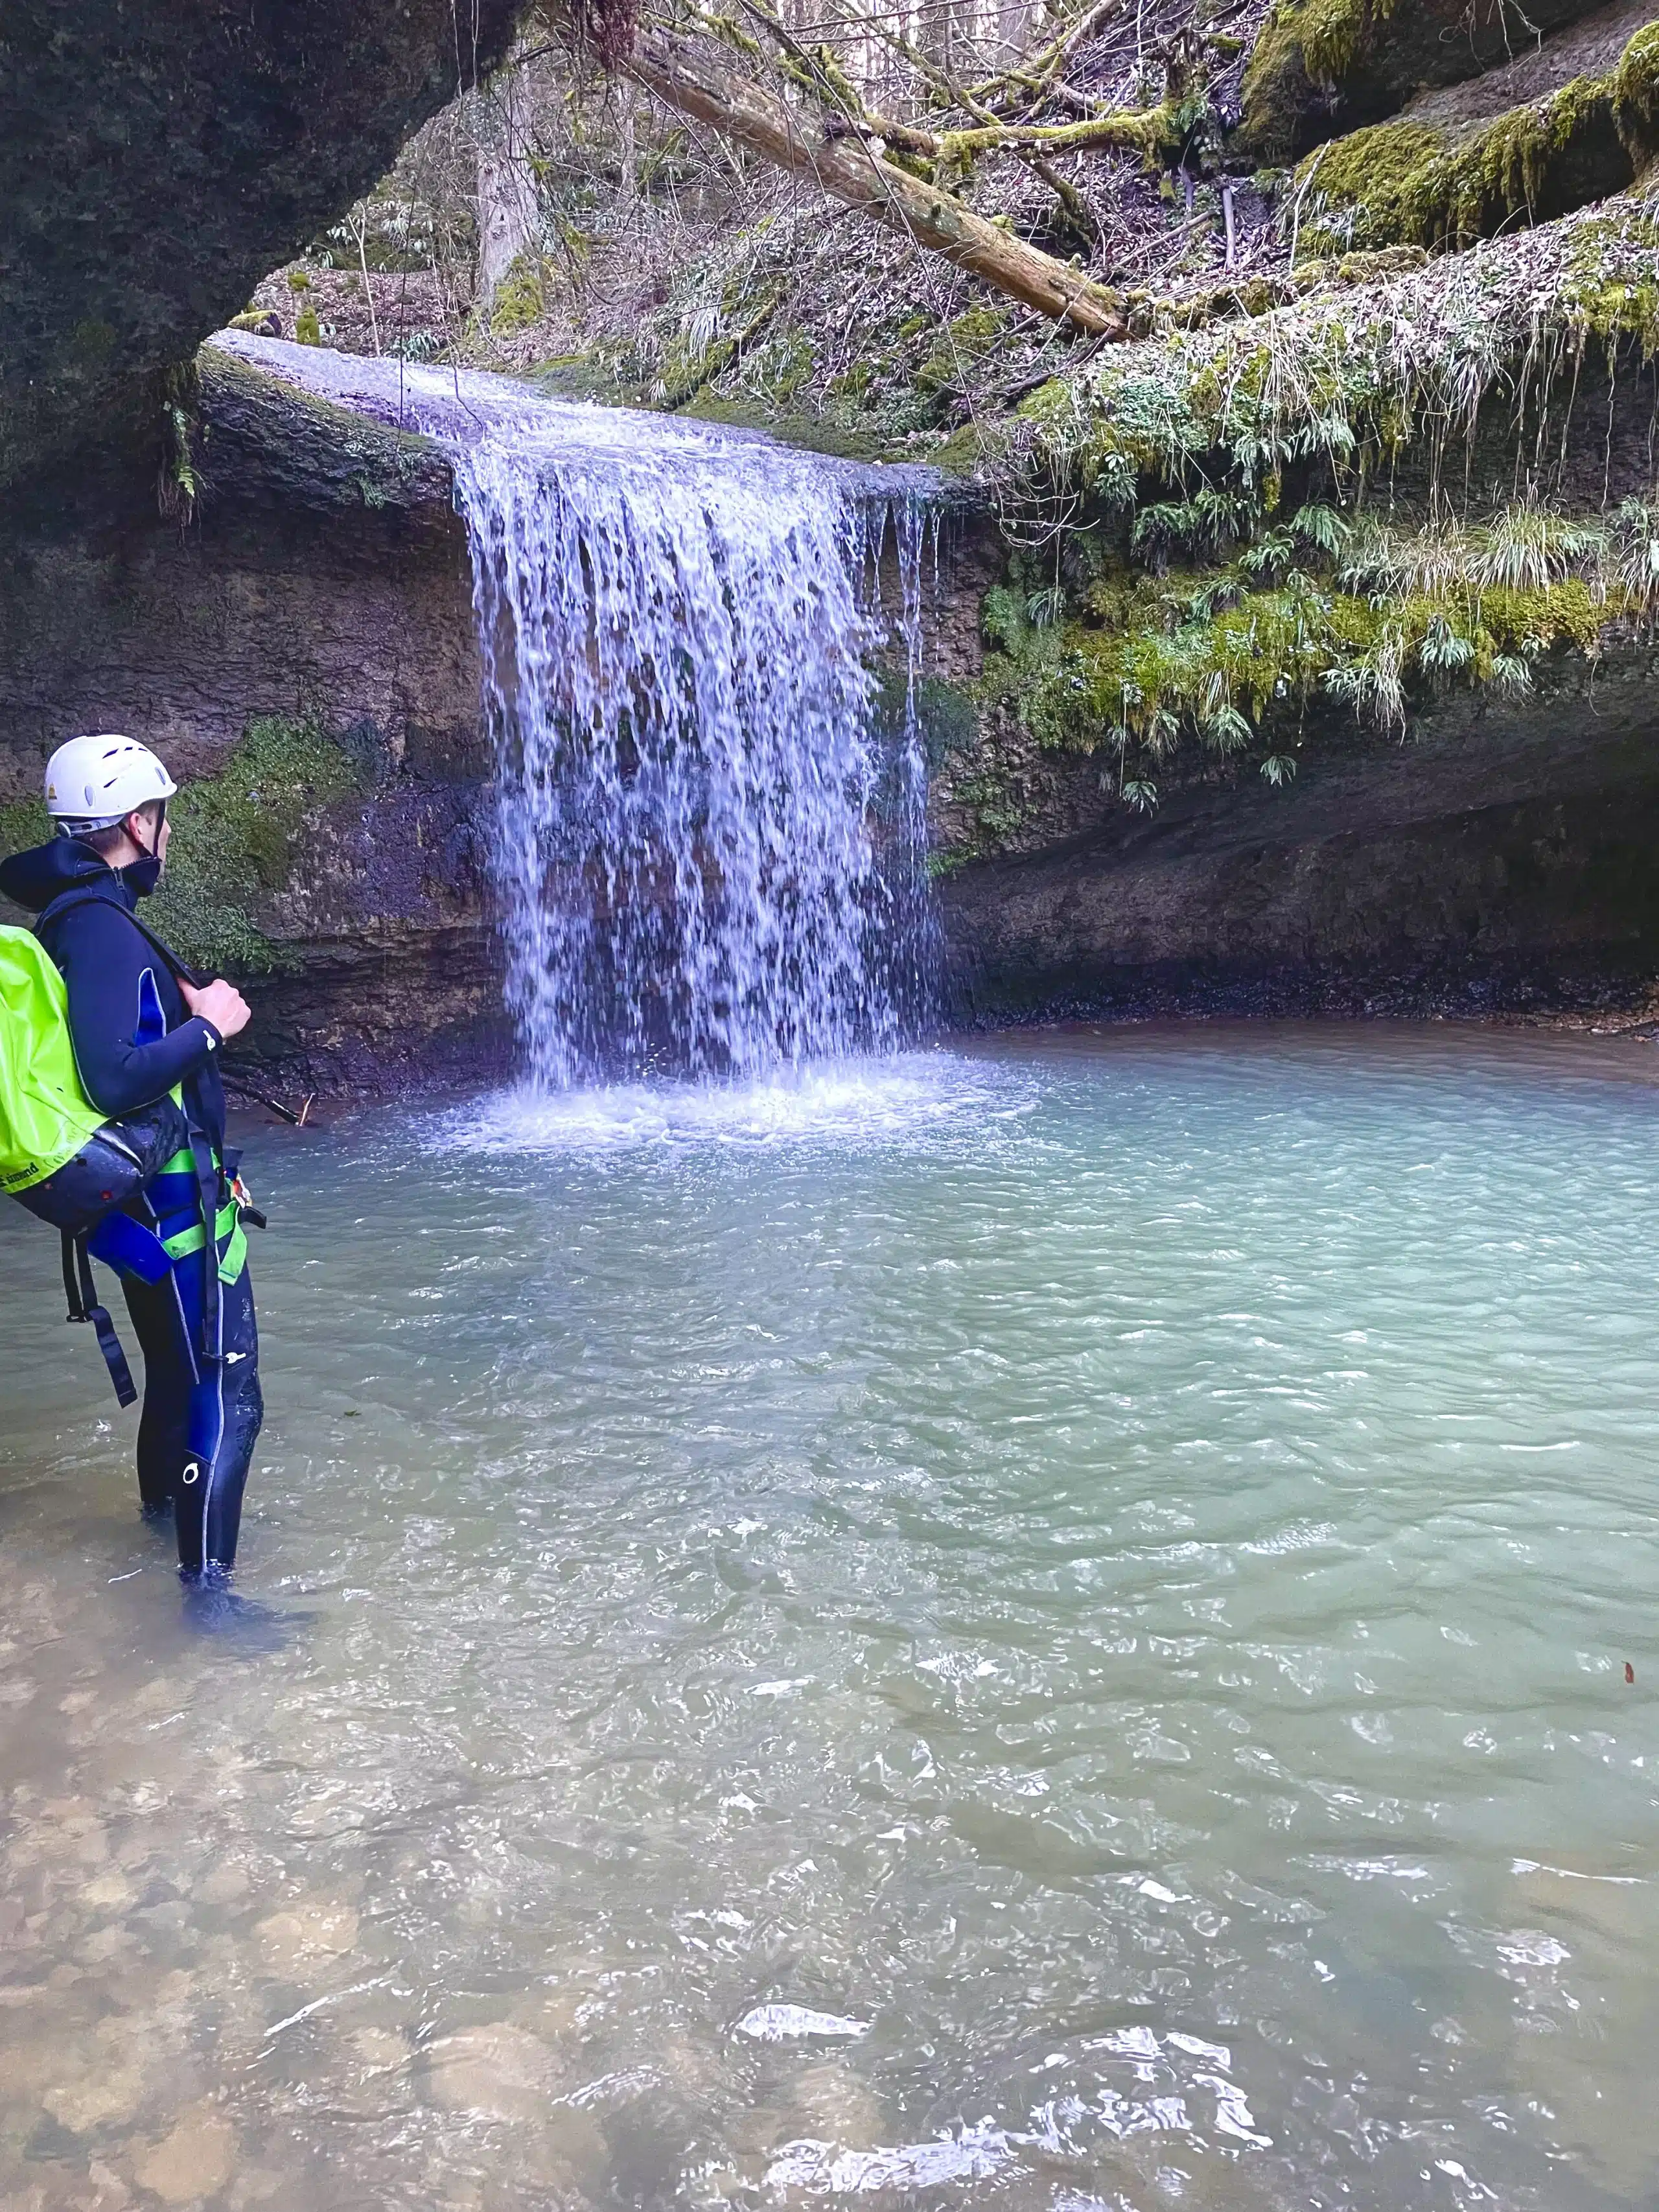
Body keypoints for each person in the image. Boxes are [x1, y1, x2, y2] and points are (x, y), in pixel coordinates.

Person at [0, 734, 264, 1589]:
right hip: (168, 1211)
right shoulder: (102, 927)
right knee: (225, 1392)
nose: (168, 835)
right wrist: (212, 1025)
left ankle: (164, 1541)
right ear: (136, 824)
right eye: (163, 818)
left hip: (155, 1204)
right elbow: (114, 1077)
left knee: (179, 1378)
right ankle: (209, 1596)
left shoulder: (77, 916)